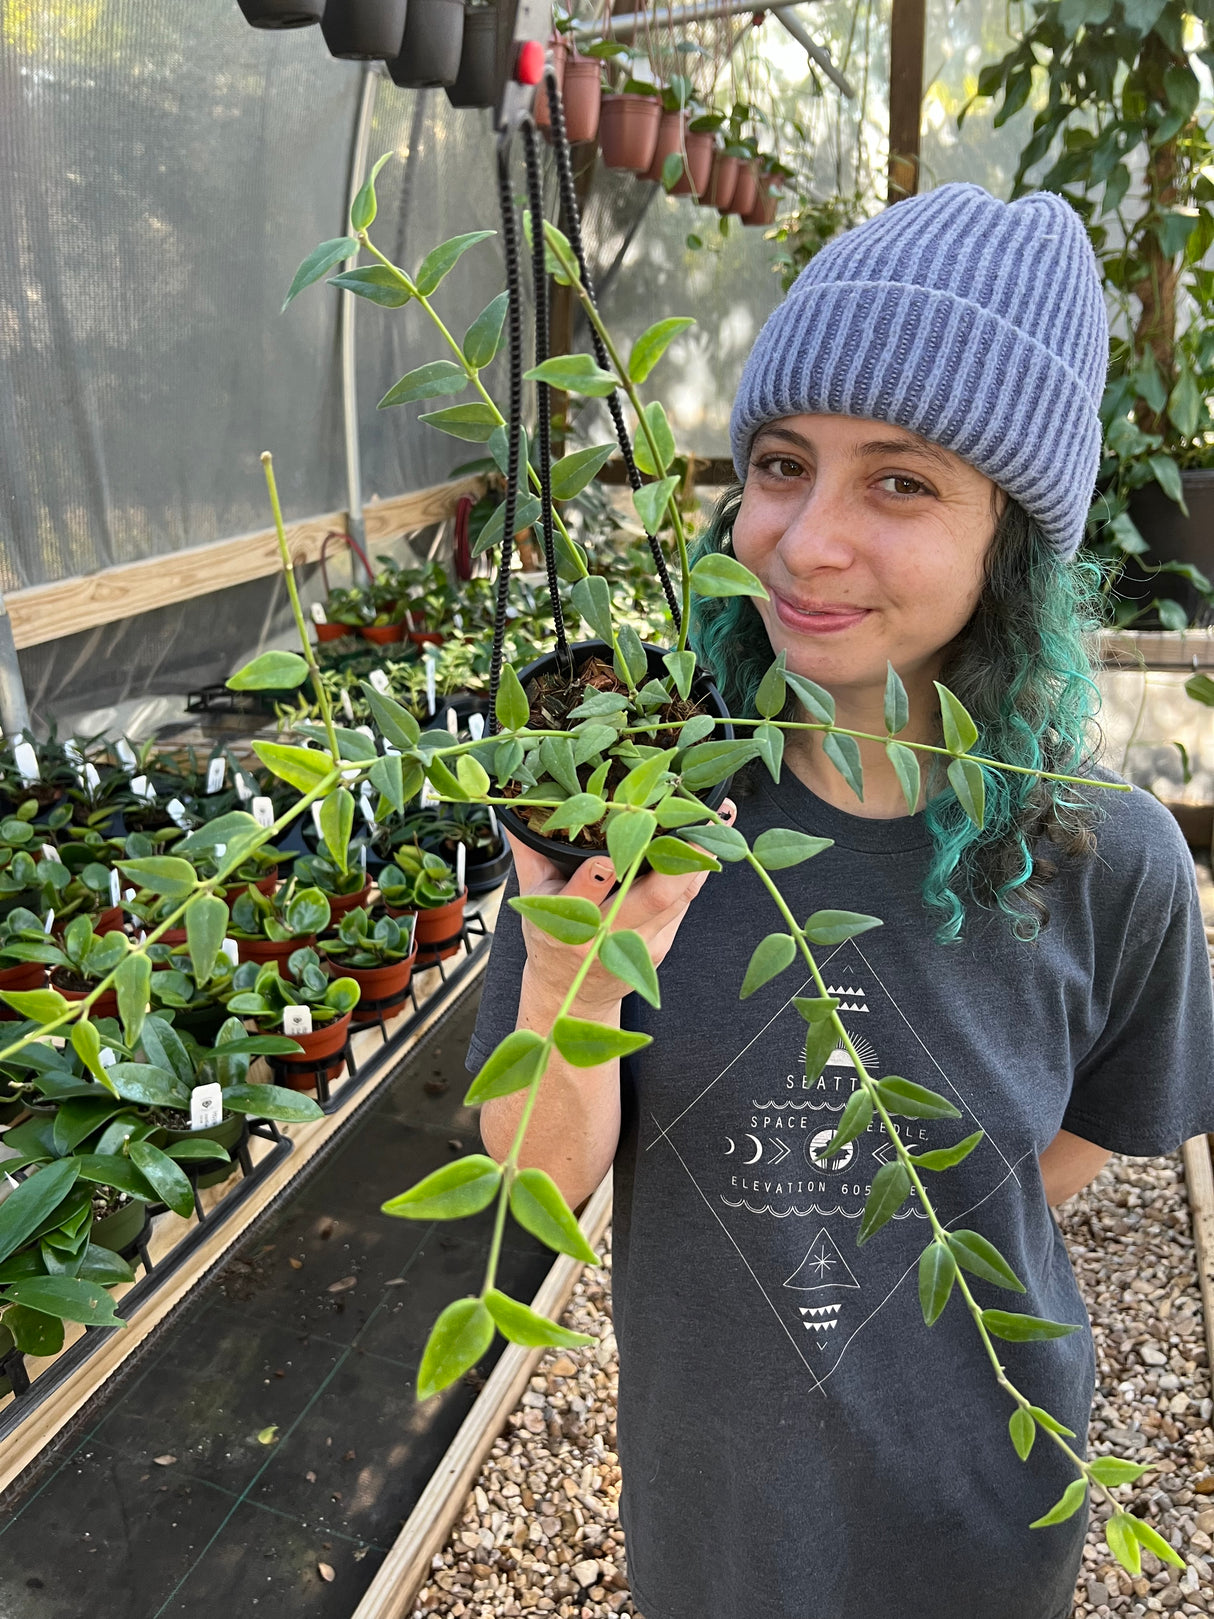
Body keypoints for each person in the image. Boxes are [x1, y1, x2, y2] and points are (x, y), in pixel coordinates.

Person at [466, 183, 1214, 1619]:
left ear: (1013, 538)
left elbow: (1068, 1149)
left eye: (900, 481)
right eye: (778, 464)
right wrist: (579, 978)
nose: (804, 542)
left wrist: (907, 1207)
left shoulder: (1107, 863)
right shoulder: (637, 807)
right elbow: (531, 1193)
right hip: (717, 1520)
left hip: (988, 1505)